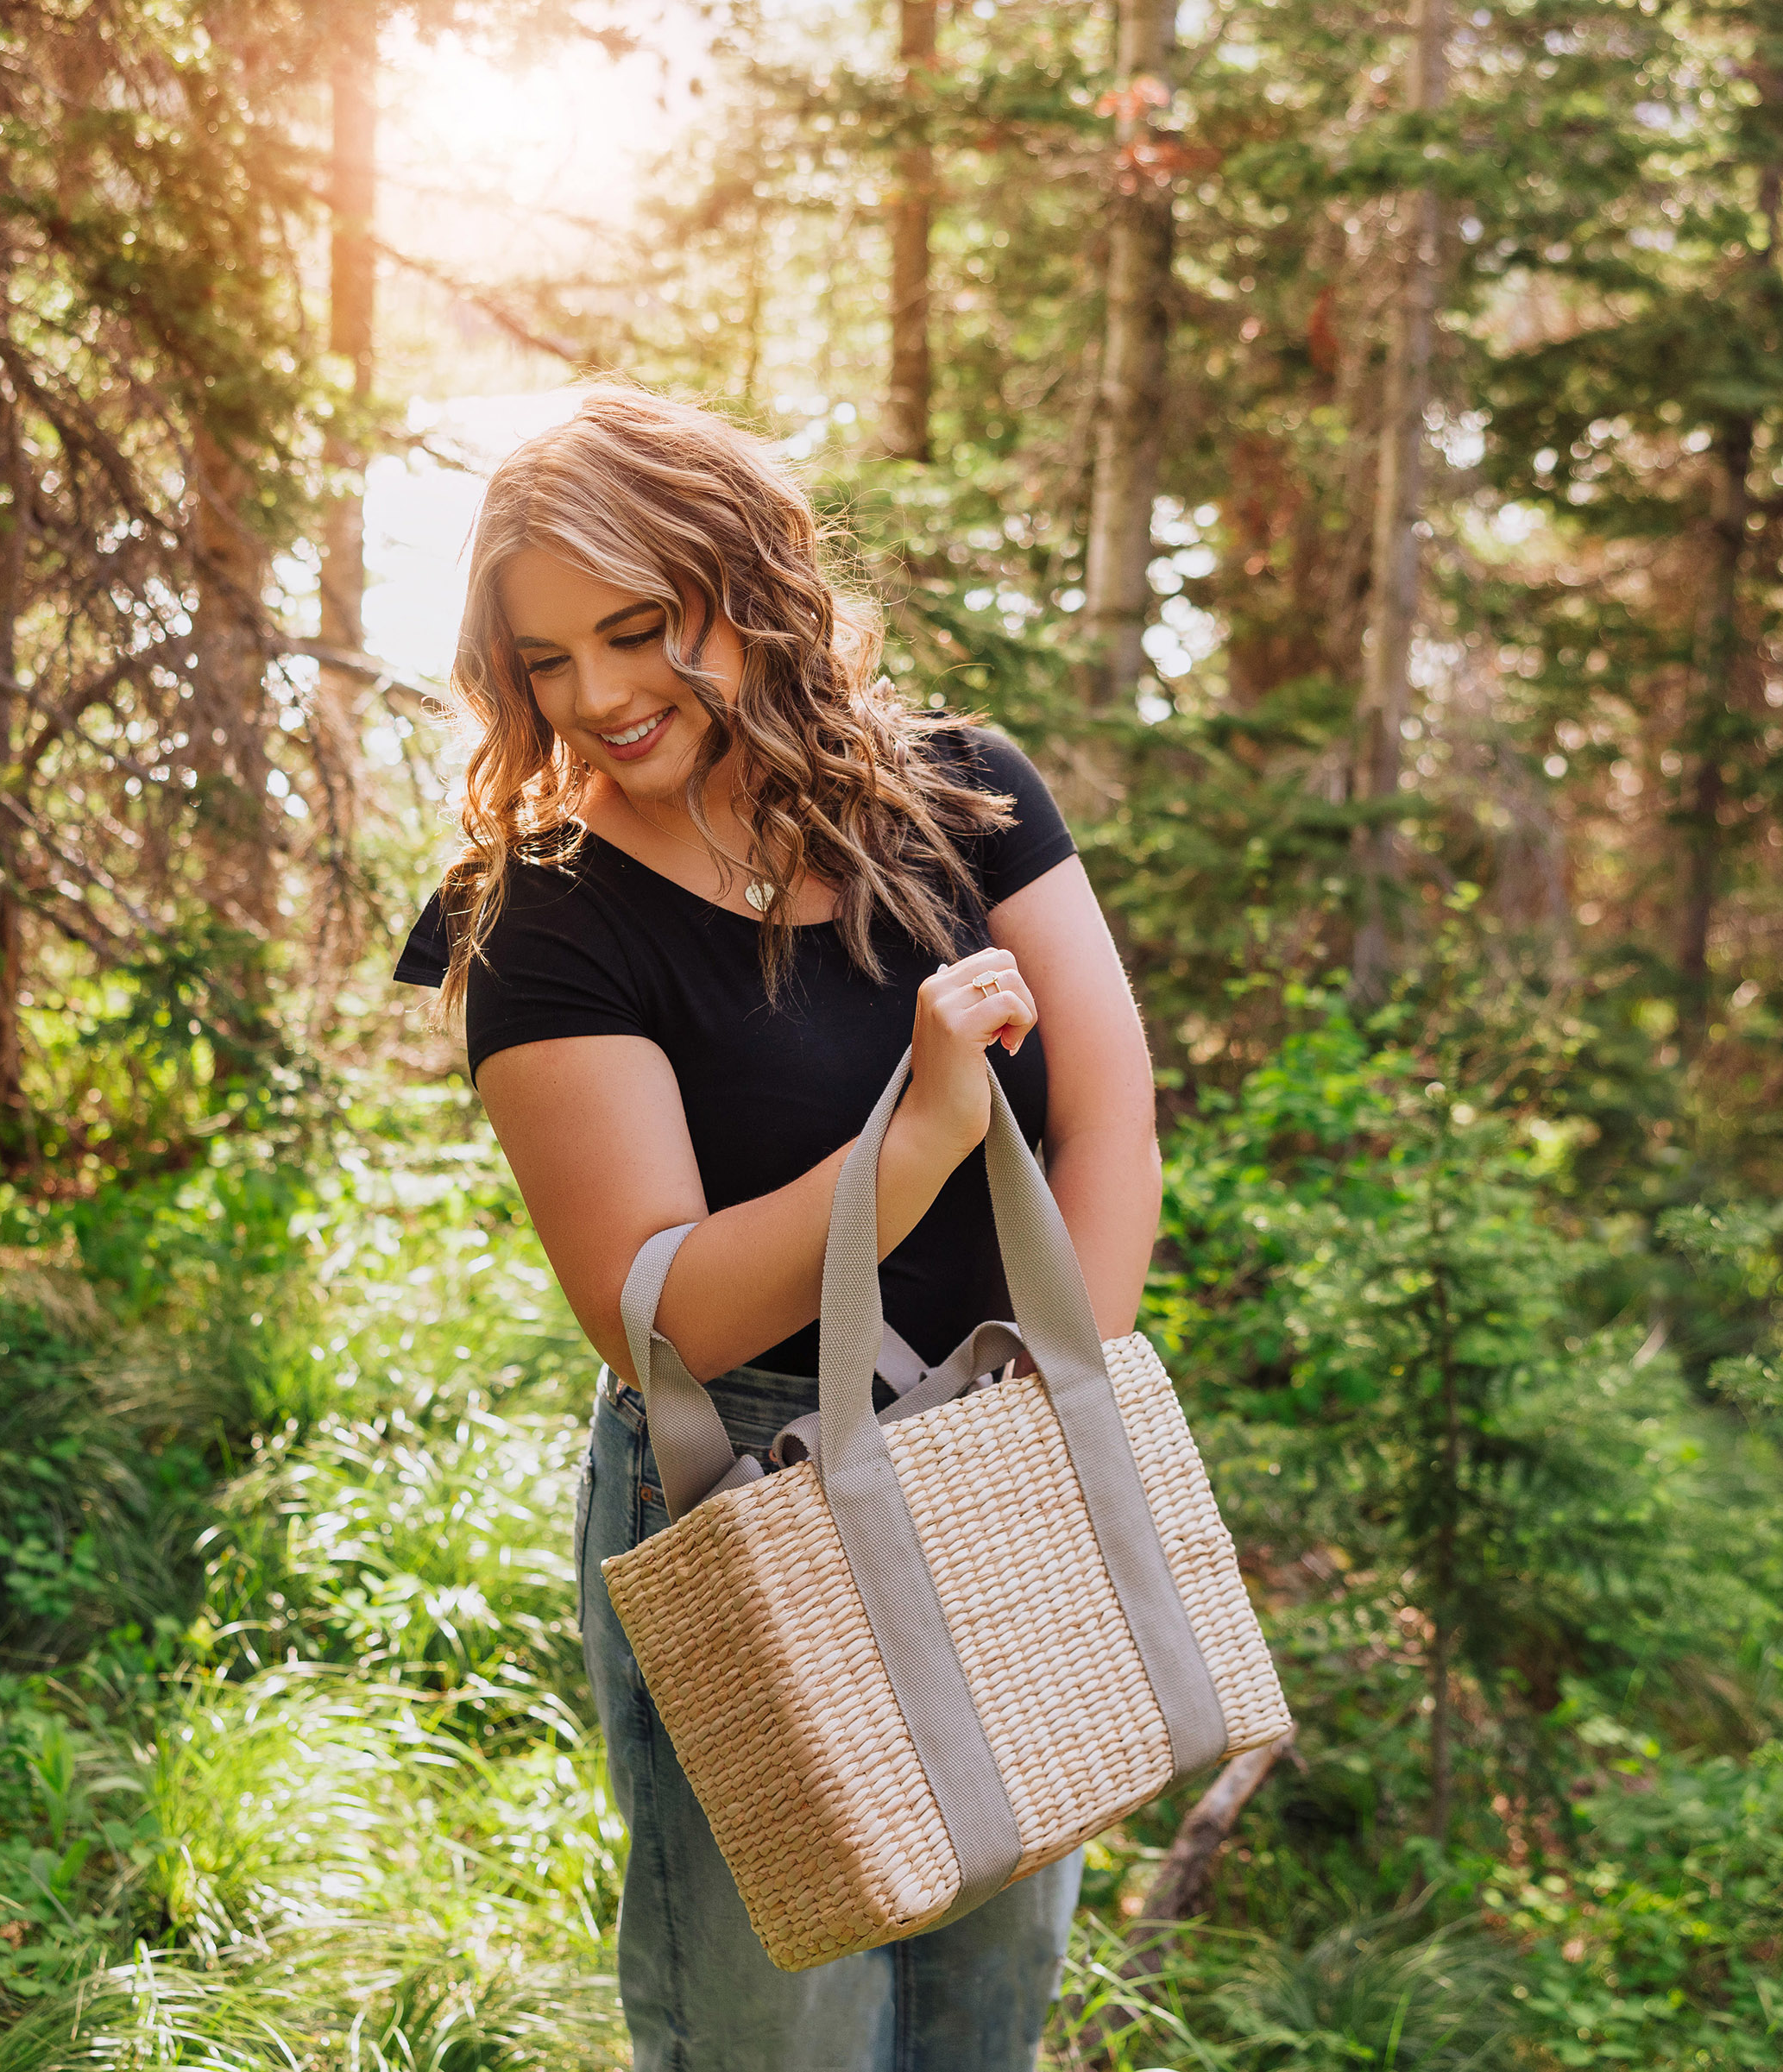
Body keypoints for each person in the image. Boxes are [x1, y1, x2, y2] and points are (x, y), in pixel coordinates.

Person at [391, 384, 1161, 2071]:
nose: (593, 696)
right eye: (543, 662)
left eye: (637, 628)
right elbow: (654, 1311)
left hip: (1002, 1436)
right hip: (751, 1491)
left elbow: (1109, 1112)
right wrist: (915, 1143)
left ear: (745, 588)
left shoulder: (969, 796)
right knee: (784, 2037)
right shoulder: (541, 921)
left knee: (985, 2008)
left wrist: (1058, 1409)